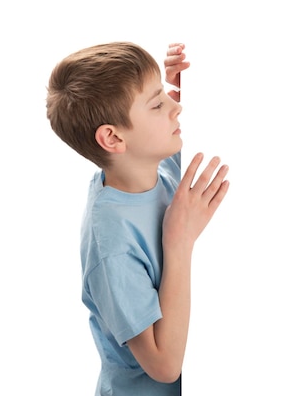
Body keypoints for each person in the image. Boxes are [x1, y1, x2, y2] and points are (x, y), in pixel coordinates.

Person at [46, 41, 230, 395]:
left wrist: (173, 87)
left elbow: (161, 133)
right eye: (158, 104)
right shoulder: (112, 245)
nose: (176, 108)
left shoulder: (146, 166)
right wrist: (179, 241)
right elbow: (164, 366)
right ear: (113, 137)